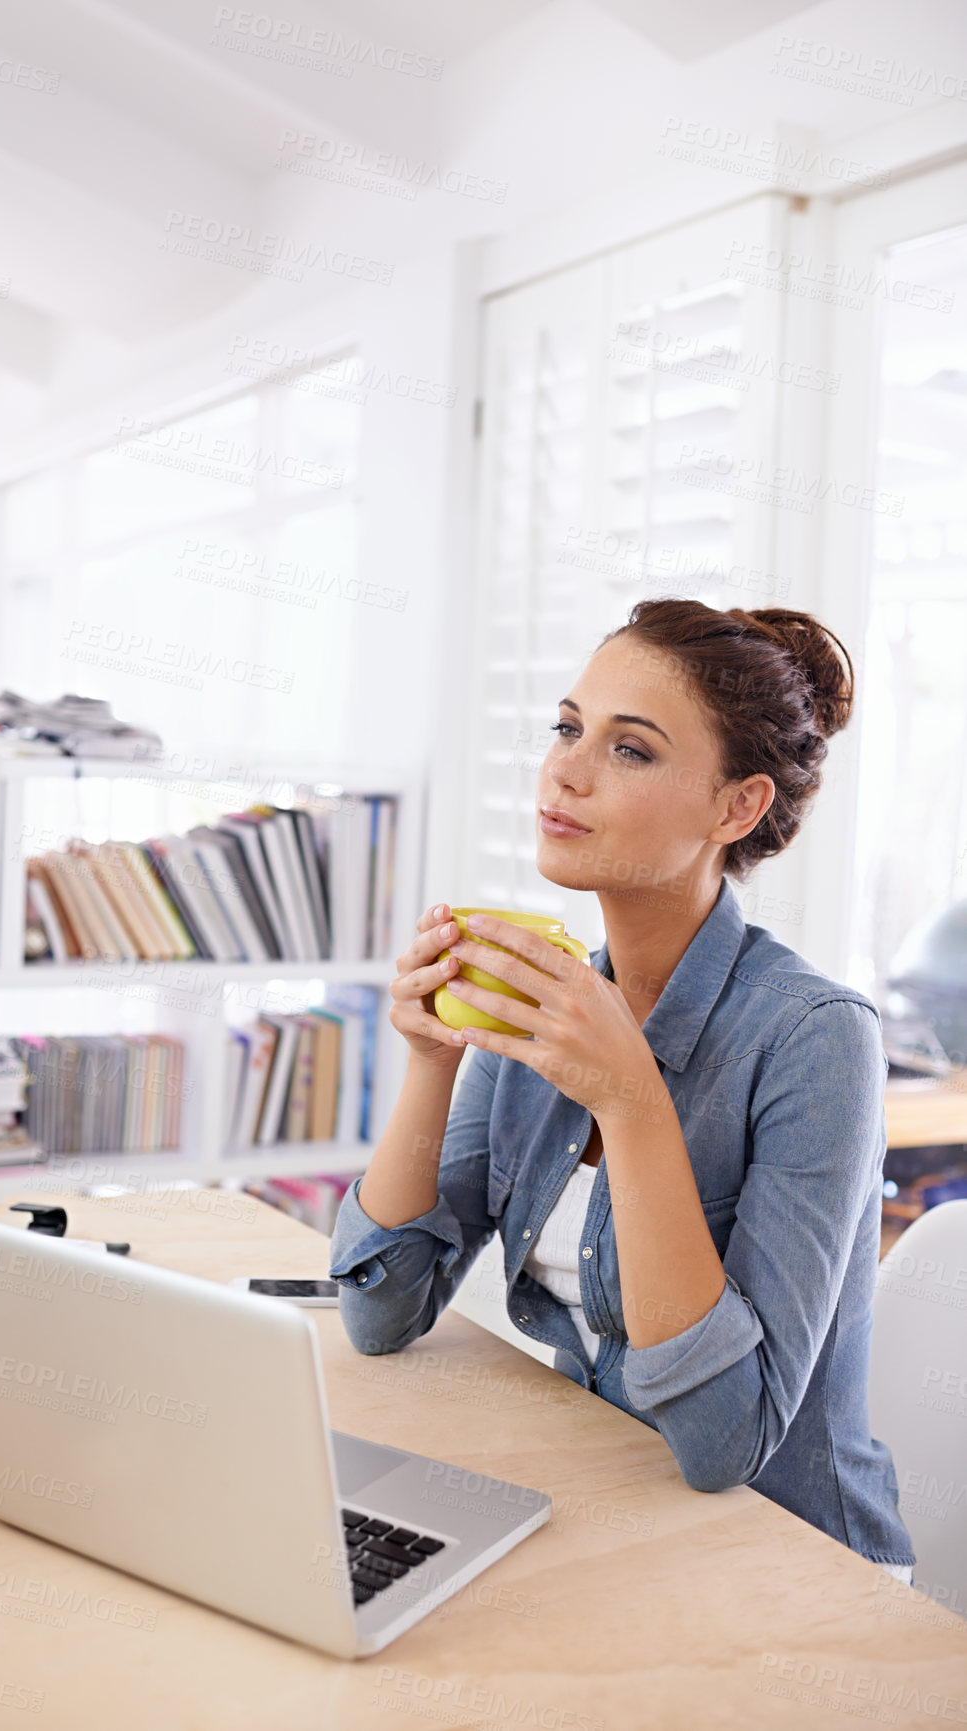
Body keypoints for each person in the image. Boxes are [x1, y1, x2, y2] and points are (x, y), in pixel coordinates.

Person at [329, 598, 915, 1581]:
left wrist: (632, 1100)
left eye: (630, 750)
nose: (564, 768)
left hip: (796, 1567)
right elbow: (380, 1315)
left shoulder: (816, 1042)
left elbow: (726, 1446)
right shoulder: (549, 995)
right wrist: (432, 1060)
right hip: (609, 1512)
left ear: (737, 808)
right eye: (568, 728)